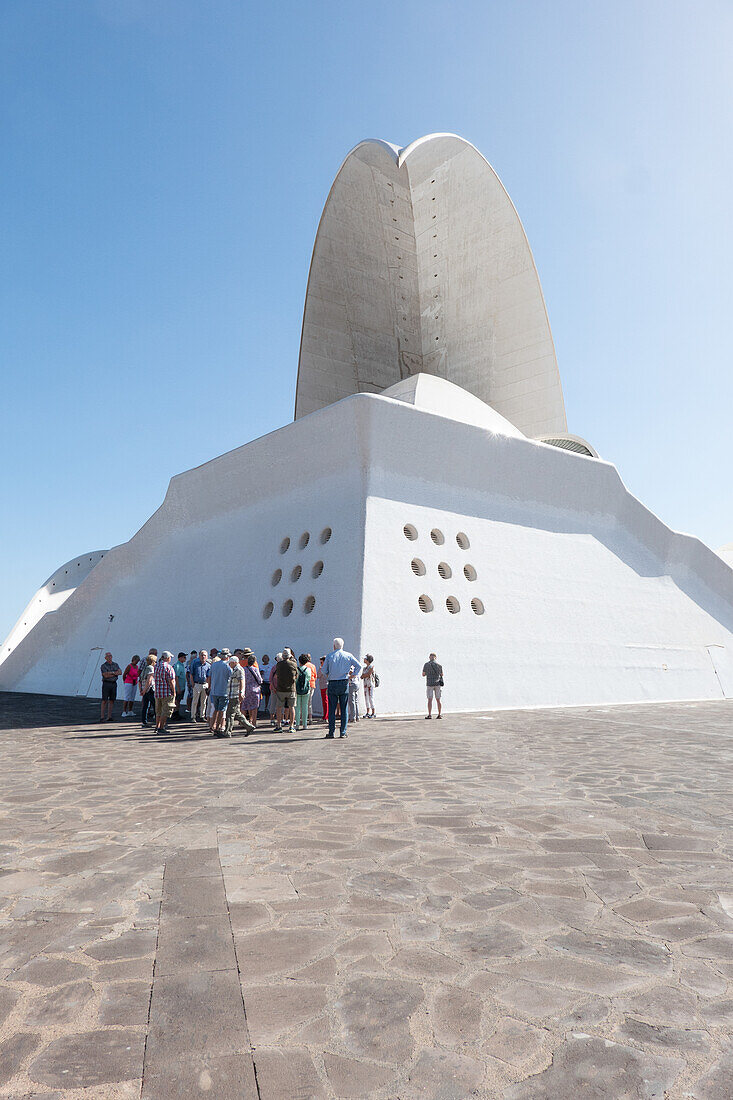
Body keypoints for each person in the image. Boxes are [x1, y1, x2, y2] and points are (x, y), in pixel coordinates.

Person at [322, 638, 361, 739]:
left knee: (332, 709)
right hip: (344, 682)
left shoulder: (330, 656)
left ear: (334, 646)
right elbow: (358, 666)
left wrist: (329, 675)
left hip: (332, 683)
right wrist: (352, 676)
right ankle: (343, 732)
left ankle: (331, 732)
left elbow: (323, 670)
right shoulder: (348, 655)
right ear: (342, 645)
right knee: (344, 708)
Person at [222, 655, 255, 738]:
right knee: (236, 713)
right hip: (232, 694)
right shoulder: (235, 669)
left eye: (230, 663)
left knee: (230, 714)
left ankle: (227, 732)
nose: (229, 665)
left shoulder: (239, 669)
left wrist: (241, 692)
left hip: (235, 694)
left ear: (234, 662)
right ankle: (249, 727)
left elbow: (242, 681)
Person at [208, 647, 232, 735]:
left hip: (214, 691)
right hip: (224, 691)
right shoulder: (228, 666)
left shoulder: (214, 665)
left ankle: (212, 726)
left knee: (215, 710)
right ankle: (218, 728)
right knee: (221, 711)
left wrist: (210, 687)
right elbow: (231, 678)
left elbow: (209, 677)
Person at [275, 649, 298, 734]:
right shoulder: (293, 664)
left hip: (281, 688)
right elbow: (296, 675)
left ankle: (279, 725)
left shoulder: (279, 665)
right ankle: (291, 726)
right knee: (292, 707)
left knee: (279, 707)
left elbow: (277, 675)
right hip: (291, 688)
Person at [153, 651, 177, 733]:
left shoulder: (156, 666)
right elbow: (171, 681)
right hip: (166, 692)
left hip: (158, 692)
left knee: (158, 711)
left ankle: (157, 726)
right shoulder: (168, 667)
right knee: (165, 711)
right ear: (167, 658)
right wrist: (174, 691)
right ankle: (161, 728)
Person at [100, 652, 122, 722]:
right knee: (104, 700)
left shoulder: (115, 664)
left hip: (113, 683)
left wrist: (110, 673)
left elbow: (120, 672)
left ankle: (109, 716)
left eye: (110, 656)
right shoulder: (103, 666)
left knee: (112, 700)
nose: (109, 657)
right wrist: (114, 673)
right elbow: (105, 675)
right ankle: (102, 716)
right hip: (106, 683)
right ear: (105, 658)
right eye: (108, 656)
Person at [190, 649, 210, 722]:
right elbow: (191, 674)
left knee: (204, 701)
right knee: (195, 701)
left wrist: (208, 685)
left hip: (205, 684)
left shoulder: (208, 665)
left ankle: (202, 716)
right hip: (197, 684)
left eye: (205, 655)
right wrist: (192, 684)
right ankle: (193, 716)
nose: (203, 656)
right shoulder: (195, 663)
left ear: (207, 657)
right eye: (202, 655)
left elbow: (208, 676)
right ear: (199, 656)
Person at [243, 655, 262, 727]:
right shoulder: (255, 669)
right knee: (254, 707)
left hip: (246, 689)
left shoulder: (243, 669)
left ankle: (245, 722)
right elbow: (260, 680)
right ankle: (253, 722)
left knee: (245, 706)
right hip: (255, 689)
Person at [422, 652, 444, 718]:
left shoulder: (426, 665)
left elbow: (423, 674)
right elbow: (442, 674)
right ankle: (439, 714)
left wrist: (428, 673)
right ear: (435, 657)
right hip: (437, 684)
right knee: (438, 700)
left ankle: (429, 714)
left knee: (430, 699)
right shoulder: (439, 665)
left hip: (429, 683)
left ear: (429, 657)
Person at [139, 653, 157, 727]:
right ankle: (157, 721)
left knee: (145, 706)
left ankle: (144, 721)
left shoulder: (144, 668)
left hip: (144, 689)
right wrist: (145, 689)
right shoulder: (151, 668)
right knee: (155, 705)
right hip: (150, 689)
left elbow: (139, 680)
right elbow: (149, 680)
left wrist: (141, 690)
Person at [295, 654, 311, 730]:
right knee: (305, 707)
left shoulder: (297, 669)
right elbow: (309, 678)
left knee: (297, 707)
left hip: (297, 689)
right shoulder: (308, 669)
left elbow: (295, 680)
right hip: (306, 689)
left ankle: (297, 724)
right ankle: (305, 724)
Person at [172, 653, 187, 719]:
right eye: (184, 657)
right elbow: (176, 677)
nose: (185, 659)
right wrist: (178, 688)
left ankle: (177, 712)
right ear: (180, 658)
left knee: (179, 700)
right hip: (179, 687)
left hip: (182, 686)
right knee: (176, 701)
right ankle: (175, 713)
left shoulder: (182, 665)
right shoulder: (178, 665)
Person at [304, 653, 317, 723]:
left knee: (303, 702)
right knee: (309, 702)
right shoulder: (313, 666)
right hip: (312, 684)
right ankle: (310, 718)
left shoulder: (303, 666)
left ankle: (304, 718)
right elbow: (315, 676)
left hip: (305, 685)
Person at [269, 655, 281, 728]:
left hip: (274, 688)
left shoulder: (274, 667)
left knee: (273, 703)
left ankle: (272, 719)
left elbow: (270, 679)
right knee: (279, 704)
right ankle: (280, 719)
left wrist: (273, 687)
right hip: (280, 689)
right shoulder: (281, 668)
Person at [318, 656, 329, 723]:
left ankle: (326, 716)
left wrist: (319, 669)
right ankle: (326, 715)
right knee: (326, 701)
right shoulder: (328, 668)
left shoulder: (322, 669)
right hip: (327, 685)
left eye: (321, 662)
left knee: (325, 701)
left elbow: (318, 676)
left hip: (323, 686)